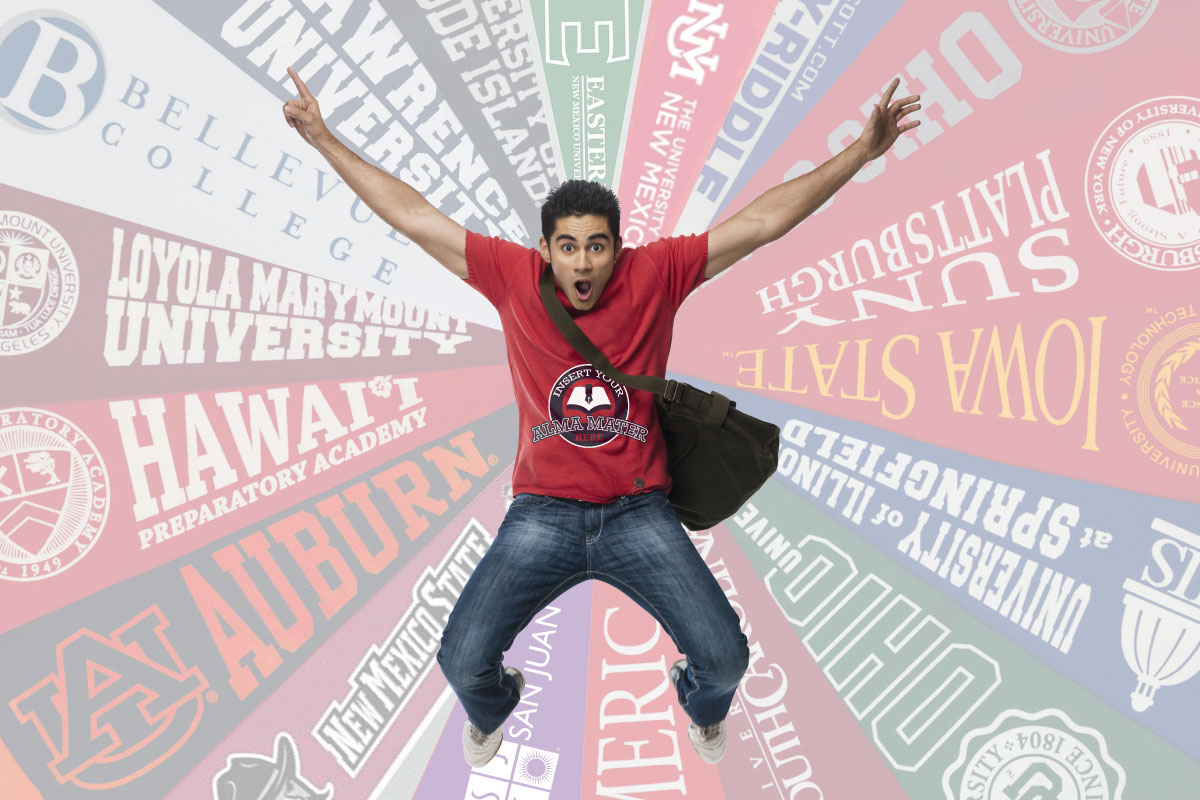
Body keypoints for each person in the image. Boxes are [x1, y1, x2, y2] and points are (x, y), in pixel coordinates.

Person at [282, 66, 920, 767]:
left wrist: (860, 153)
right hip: (542, 515)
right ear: (547, 249)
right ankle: (499, 704)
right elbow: (412, 215)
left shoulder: (658, 274)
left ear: (617, 247)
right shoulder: (510, 278)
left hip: (639, 512)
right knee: (462, 663)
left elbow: (762, 222)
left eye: (596, 245)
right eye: (567, 246)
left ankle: (695, 700)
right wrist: (322, 139)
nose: (582, 262)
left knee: (725, 661)